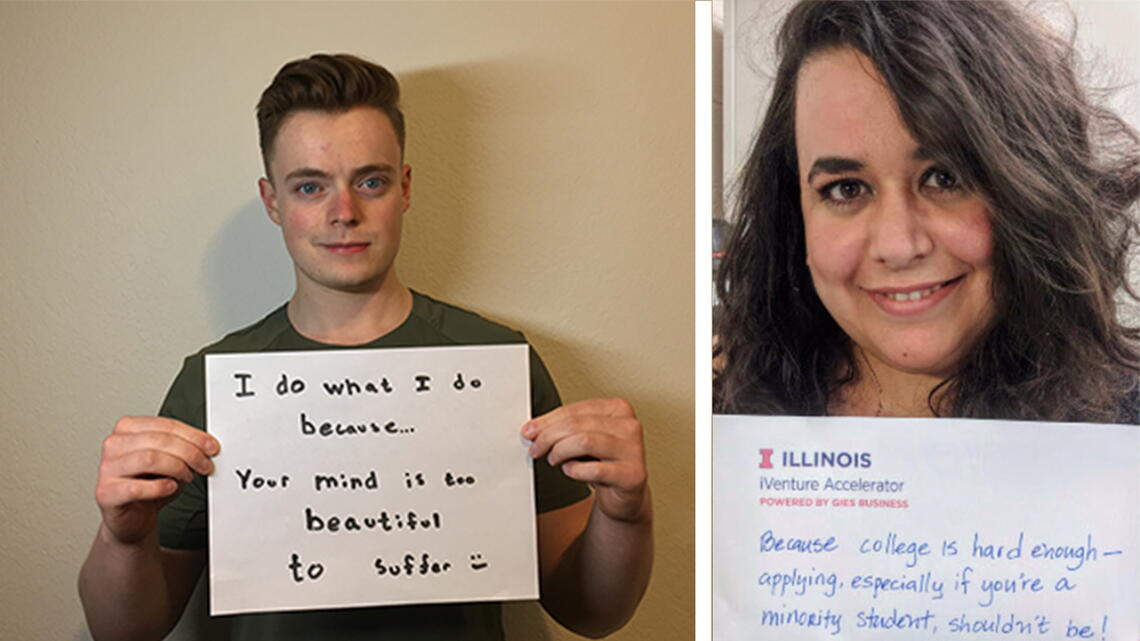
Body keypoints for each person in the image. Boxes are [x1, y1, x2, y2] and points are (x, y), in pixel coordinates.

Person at [78, 54, 652, 641]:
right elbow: (127, 631)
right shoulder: (217, 381)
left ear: (403, 188)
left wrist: (626, 512)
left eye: (370, 181)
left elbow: (589, 612)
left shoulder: (495, 362)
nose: (344, 213)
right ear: (273, 202)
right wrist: (122, 535)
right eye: (309, 187)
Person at [715, 0, 1139, 422]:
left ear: (1033, 191)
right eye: (846, 189)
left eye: (944, 178)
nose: (899, 246)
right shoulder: (722, 414)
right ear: (795, 215)